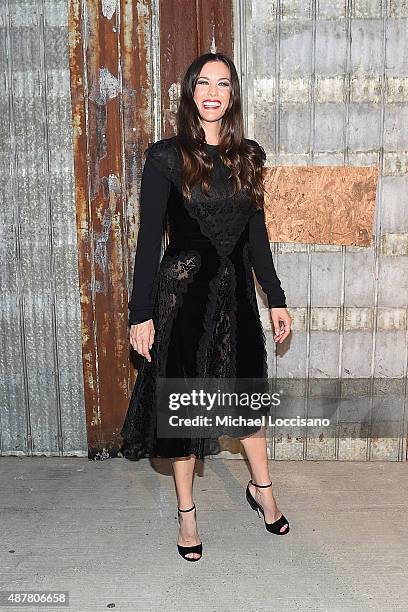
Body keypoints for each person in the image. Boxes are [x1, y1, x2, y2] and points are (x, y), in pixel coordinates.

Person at [120, 52, 293, 561]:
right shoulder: (166, 158)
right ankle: (187, 514)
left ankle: (262, 489)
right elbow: (149, 239)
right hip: (182, 296)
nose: (213, 91)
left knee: (247, 401)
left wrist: (276, 298)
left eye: (223, 83)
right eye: (203, 82)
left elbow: (256, 238)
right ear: (190, 92)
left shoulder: (249, 157)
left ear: (232, 95)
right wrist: (140, 312)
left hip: (237, 295)